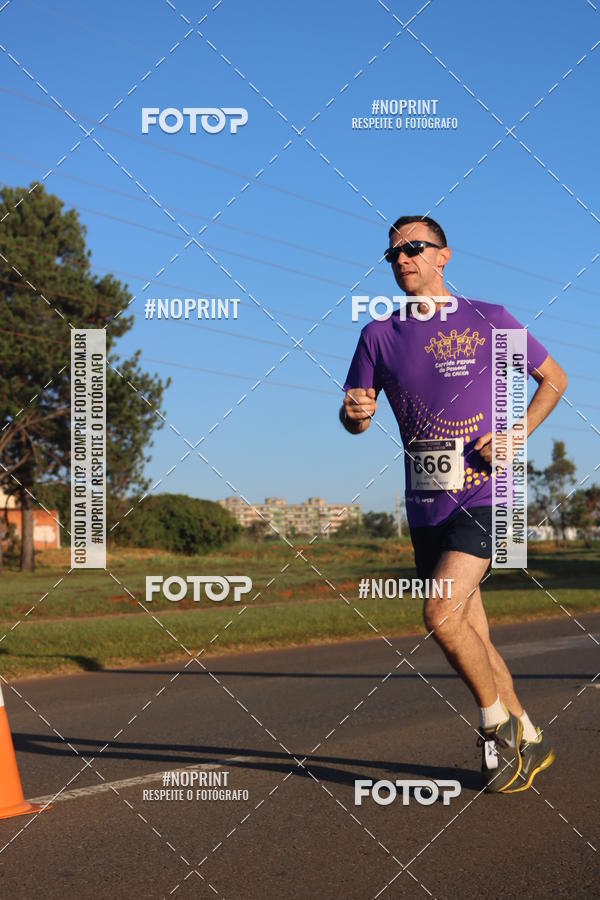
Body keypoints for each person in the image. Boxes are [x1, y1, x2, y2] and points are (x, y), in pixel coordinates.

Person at [340, 215, 567, 793]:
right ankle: (531, 736)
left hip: (490, 493)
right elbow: (355, 416)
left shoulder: (489, 318)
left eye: (414, 248)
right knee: (472, 633)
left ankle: (494, 727)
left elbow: (554, 379)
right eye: (393, 254)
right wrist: (355, 415)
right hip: (426, 505)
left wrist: (517, 433)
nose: (402, 259)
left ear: (444, 256)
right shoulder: (378, 336)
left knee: (439, 613)